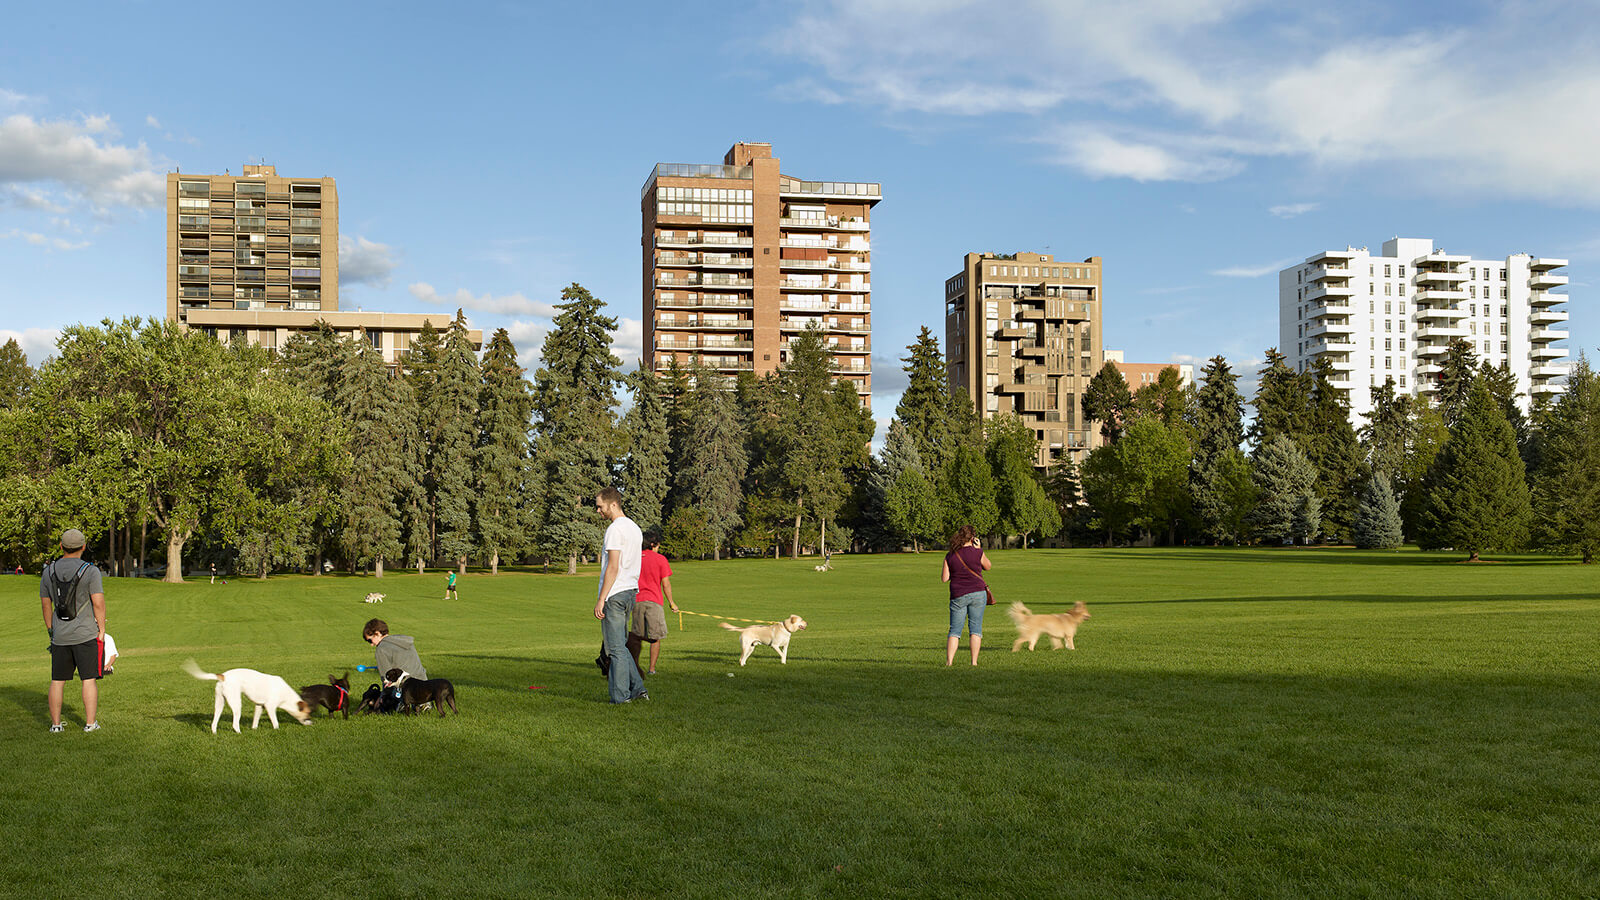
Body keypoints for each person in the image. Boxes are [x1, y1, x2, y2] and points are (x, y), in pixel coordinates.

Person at [41, 528, 107, 732]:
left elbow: (46, 604)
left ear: (61, 546)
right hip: (85, 633)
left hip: (60, 635)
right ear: (84, 547)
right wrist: (102, 630)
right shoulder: (91, 571)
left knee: (57, 681)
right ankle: (89, 724)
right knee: (88, 679)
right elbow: (98, 603)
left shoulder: (48, 571)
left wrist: (52, 631)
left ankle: (56, 725)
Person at [593, 487, 647, 704]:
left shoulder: (615, 529)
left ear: (613, 504)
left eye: (600, 506)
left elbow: (613, 567)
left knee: (614, 649)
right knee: (621, 646)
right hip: (630, 592)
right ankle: (639, 690)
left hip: (615, 595)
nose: (598, 511)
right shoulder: (634, 528)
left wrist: (601, 599)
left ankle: (620, 697)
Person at [627, 529, 680, 676]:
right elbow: (666, 583)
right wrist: (672, 602)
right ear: (652, 544)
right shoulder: (660, 559)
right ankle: (651, 669)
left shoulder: (634, 558)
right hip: (653, 602)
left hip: (636, 601)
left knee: (637, 637)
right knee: (655, 637)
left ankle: (634, 666)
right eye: (657, 545)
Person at [941, 524, 991, 667]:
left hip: (958, 595)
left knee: (955, 630)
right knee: (975, 629)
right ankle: (974, 662)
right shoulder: (977, 552)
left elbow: (944, 578)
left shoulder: (950, 555)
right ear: (973, 537)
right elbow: (988, 566)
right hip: (977, 593)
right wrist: (979, 549)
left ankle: (949, 662)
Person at [362, 619, 428, 683]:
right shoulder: (403, 641)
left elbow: (386, 678)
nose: (371, 644)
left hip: (407, 689)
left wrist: (384, 693)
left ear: (377, 634)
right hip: (425, 684)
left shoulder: (381, 649)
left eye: (370, 640)